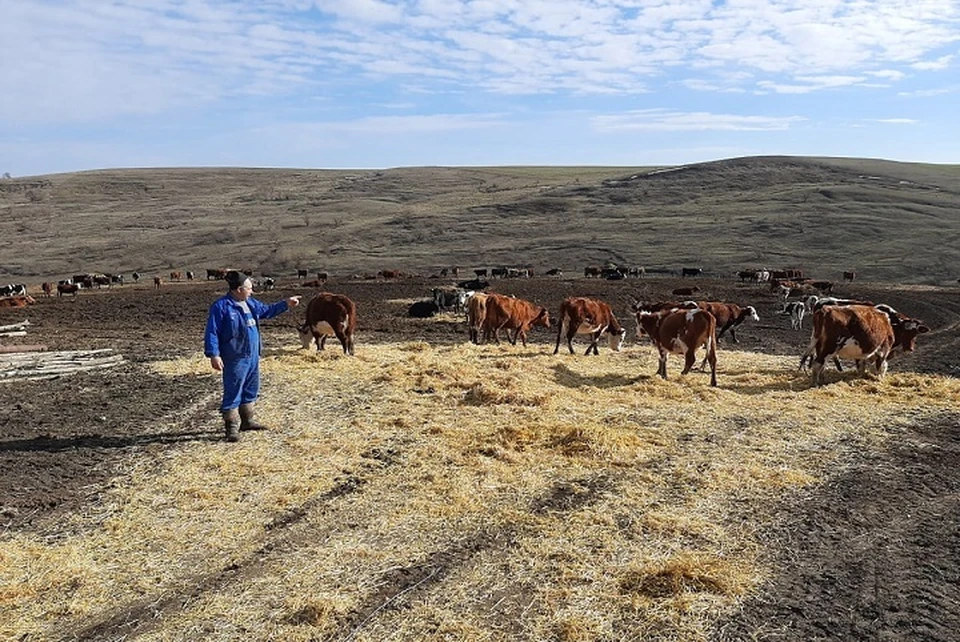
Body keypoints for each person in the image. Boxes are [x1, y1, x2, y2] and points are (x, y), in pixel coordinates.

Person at [204, 270, 301, 442]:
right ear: (239, 289)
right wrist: (214, 354)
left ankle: (247, 421)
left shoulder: (250, 303)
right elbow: (212, 331)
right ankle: (231, 428)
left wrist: (286, 303)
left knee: (251, 388)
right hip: (235, 356)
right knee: (233, 390)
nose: (252, 291)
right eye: (249, 288)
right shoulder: (221, 306)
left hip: (253, 355)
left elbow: (266, 310)